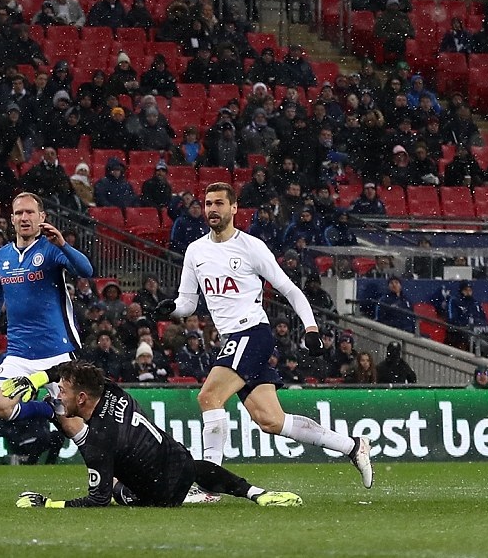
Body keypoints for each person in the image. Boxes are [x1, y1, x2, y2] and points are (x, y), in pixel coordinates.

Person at [153, 182, 373, 500]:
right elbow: (187, 303)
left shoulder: (251, 246)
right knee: (271, 420)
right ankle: (352, 446)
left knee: (208, 397)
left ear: (233, 209)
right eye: (207, 203)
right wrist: (171, 308)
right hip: (234, 339)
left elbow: (290, 290)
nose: (211, 209)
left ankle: (207, 488)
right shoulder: (195, 251)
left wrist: (310, 328)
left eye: (218, 203)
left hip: (252, 333)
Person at [14, 361, 301, 508]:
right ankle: (257, 493)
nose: (58, 397)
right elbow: (76, 374)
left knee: (114, 487)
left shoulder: (98, 441)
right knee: (197, 467)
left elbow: (96, 502)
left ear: (82, 398)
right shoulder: (113, 390)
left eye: (62, 392)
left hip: (158, 497)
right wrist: (41, 378)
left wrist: (49, 504)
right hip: (181, 463)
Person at [0, 192, 94, 423]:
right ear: (12, 220)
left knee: (80, 429)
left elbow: (87, 271)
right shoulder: (1, 256)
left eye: (30, 212)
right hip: (19, 354)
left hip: (57, 354)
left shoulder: (52, 249)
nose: (24, 217)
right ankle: (49, 410)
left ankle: (62, 415)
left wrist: (63, 244)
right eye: (19, 213)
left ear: (41, 217)